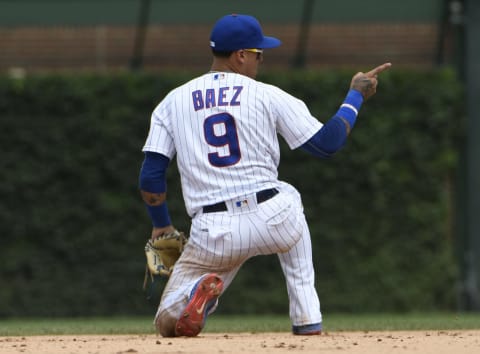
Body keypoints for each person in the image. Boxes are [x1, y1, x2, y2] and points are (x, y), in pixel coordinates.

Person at [138, 13, 391, 337]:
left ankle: (194, 293)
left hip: (215, 232)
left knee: (166, 322)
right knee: (291, 203)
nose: (261, 60)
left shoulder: (171, 102)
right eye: (258, 53)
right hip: (274, 217)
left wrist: (161, 222)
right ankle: (307, 318)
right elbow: (327, 144)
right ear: (240, 56)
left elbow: (151, 176)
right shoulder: (267, 94)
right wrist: (355, 95)